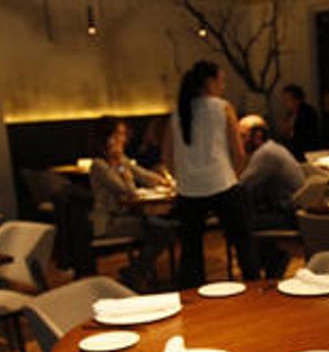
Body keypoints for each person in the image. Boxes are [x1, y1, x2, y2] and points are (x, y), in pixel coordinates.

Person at [161, 60, 260, 286]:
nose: (223, 86)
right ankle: (255, 290)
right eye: (221, 80)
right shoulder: (222, 108)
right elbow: (238, 151)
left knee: (191, 251)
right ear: (209, 81)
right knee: (243, 243)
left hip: (188, 190)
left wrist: (182, 178)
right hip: (222, 183)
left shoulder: (177, 113)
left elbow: (166, 156)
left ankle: (194, 301)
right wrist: (235, 176)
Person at [88, 116, 175, 289]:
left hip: (125, 217)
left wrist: (163, 180)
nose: (124, 138)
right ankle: (137, 270)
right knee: (161, 229)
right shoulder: (100, 165)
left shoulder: (121, 160)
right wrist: (121, 166)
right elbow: (127, 191)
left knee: (163, 227)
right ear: (108, 137)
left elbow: (142, 174)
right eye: (119, 134)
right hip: (109, 222)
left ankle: (138, 270)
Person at [237, 114, 304, 278]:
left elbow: (242, 186)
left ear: (258, 136)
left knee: (239, 225)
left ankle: (253, 280)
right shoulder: (272, 148)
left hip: (289, 216)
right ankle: (272, 271)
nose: (238, 141)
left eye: (242, 136)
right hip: (292, 211)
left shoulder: (266, 154)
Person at [279, 84, 320, 157]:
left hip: (306, 151)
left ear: (296, 100)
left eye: (287, 99)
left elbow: (305, 136)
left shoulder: (307, 112)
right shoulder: (290, 113)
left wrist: (290, 131)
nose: (285, 103)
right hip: (293, 148)